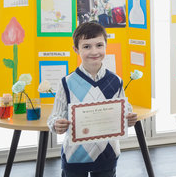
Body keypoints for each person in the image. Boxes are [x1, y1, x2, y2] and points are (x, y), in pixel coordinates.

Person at [48, 22, 138, 177]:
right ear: (76, 49)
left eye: (99, 45)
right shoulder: (66, 82)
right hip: (74, 155)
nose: (94, 51)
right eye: (87, 46)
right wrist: (56, 124)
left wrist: (129, 118)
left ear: (106, 46)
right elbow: (54, 116)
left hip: (107, 154)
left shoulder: (116, 81)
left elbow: (125, 109)